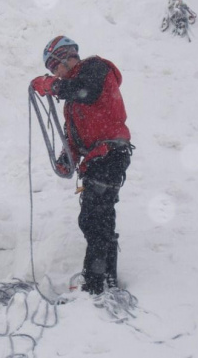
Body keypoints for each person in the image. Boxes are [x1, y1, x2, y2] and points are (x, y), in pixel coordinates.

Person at [30, 35, 133, 295]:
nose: (56, 74)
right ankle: (106, 278)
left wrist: (51, 86)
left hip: (109, 153)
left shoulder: (95, 68)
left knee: (93, 218)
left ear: (67, 58)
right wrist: (67, 159)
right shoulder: (74, 101)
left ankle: (96, 284)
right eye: (52, 71)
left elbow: (87, 91)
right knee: (100, 217)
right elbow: (73, 137)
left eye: (56, 68)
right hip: (99, 158)